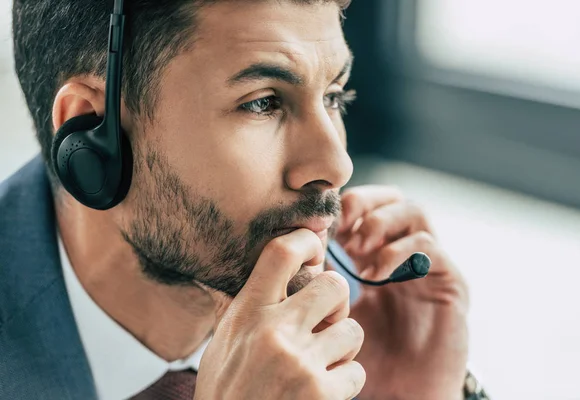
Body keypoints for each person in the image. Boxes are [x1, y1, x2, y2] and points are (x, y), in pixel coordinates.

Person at [0, 0, 489, 399]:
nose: (337, 165)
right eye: (263, 102)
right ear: (90, 130)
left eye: (335, 97)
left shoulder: (353, 332)